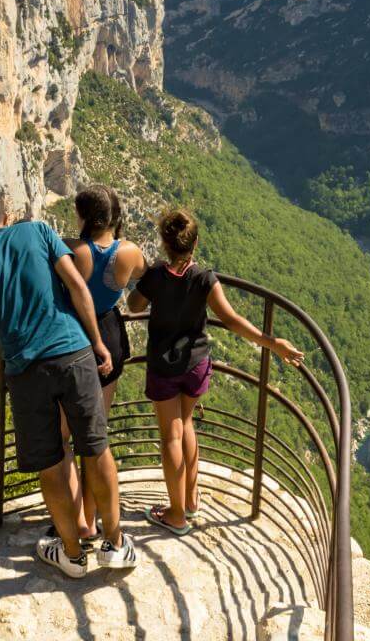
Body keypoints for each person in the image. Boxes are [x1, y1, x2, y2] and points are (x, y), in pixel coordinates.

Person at [0, 188, 138, 578]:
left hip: (25, 370)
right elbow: (77, 287)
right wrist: (99, 342)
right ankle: (116, 544)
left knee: (53, 463)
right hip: (75, 352)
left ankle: (71, 554)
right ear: (5, 214)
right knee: (96, 447)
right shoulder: (38, 230)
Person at [128, 209, 304, 536]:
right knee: (187, 422)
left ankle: (176, 514)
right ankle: (191, 500)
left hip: (164, 367)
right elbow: (233, 319)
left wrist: (144, 277)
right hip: (196, 365)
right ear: (195, 243)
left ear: (165, 244)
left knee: (171, 436)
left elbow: (134, 306)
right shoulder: (205, 279)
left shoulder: (155, 277)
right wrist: (271, 342)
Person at [56, 185, 146, 545]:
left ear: (82, 217)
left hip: (73, 339)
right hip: (110, 335)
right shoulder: (131, 253)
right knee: (96, 436)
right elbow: (143, 289)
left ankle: (75, 518)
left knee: (64, 437)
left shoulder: (70, 250)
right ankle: (92, 520)